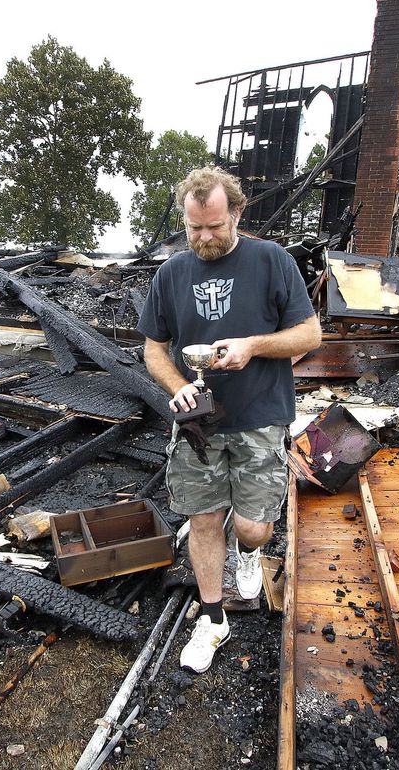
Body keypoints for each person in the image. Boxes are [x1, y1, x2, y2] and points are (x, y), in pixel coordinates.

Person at [138, 166, 321, 673]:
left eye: (214, 226)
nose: (203, 237)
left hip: (261, 416)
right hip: (199, 423)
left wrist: (253, 347)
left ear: (237, 212)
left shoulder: (271, 261)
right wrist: (179, 389)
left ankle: (247, 551)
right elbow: (153, 349)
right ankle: (213, 617)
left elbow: (310, 335)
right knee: (202, 518)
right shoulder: (172, 273)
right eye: (194, 227)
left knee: (255, 529)